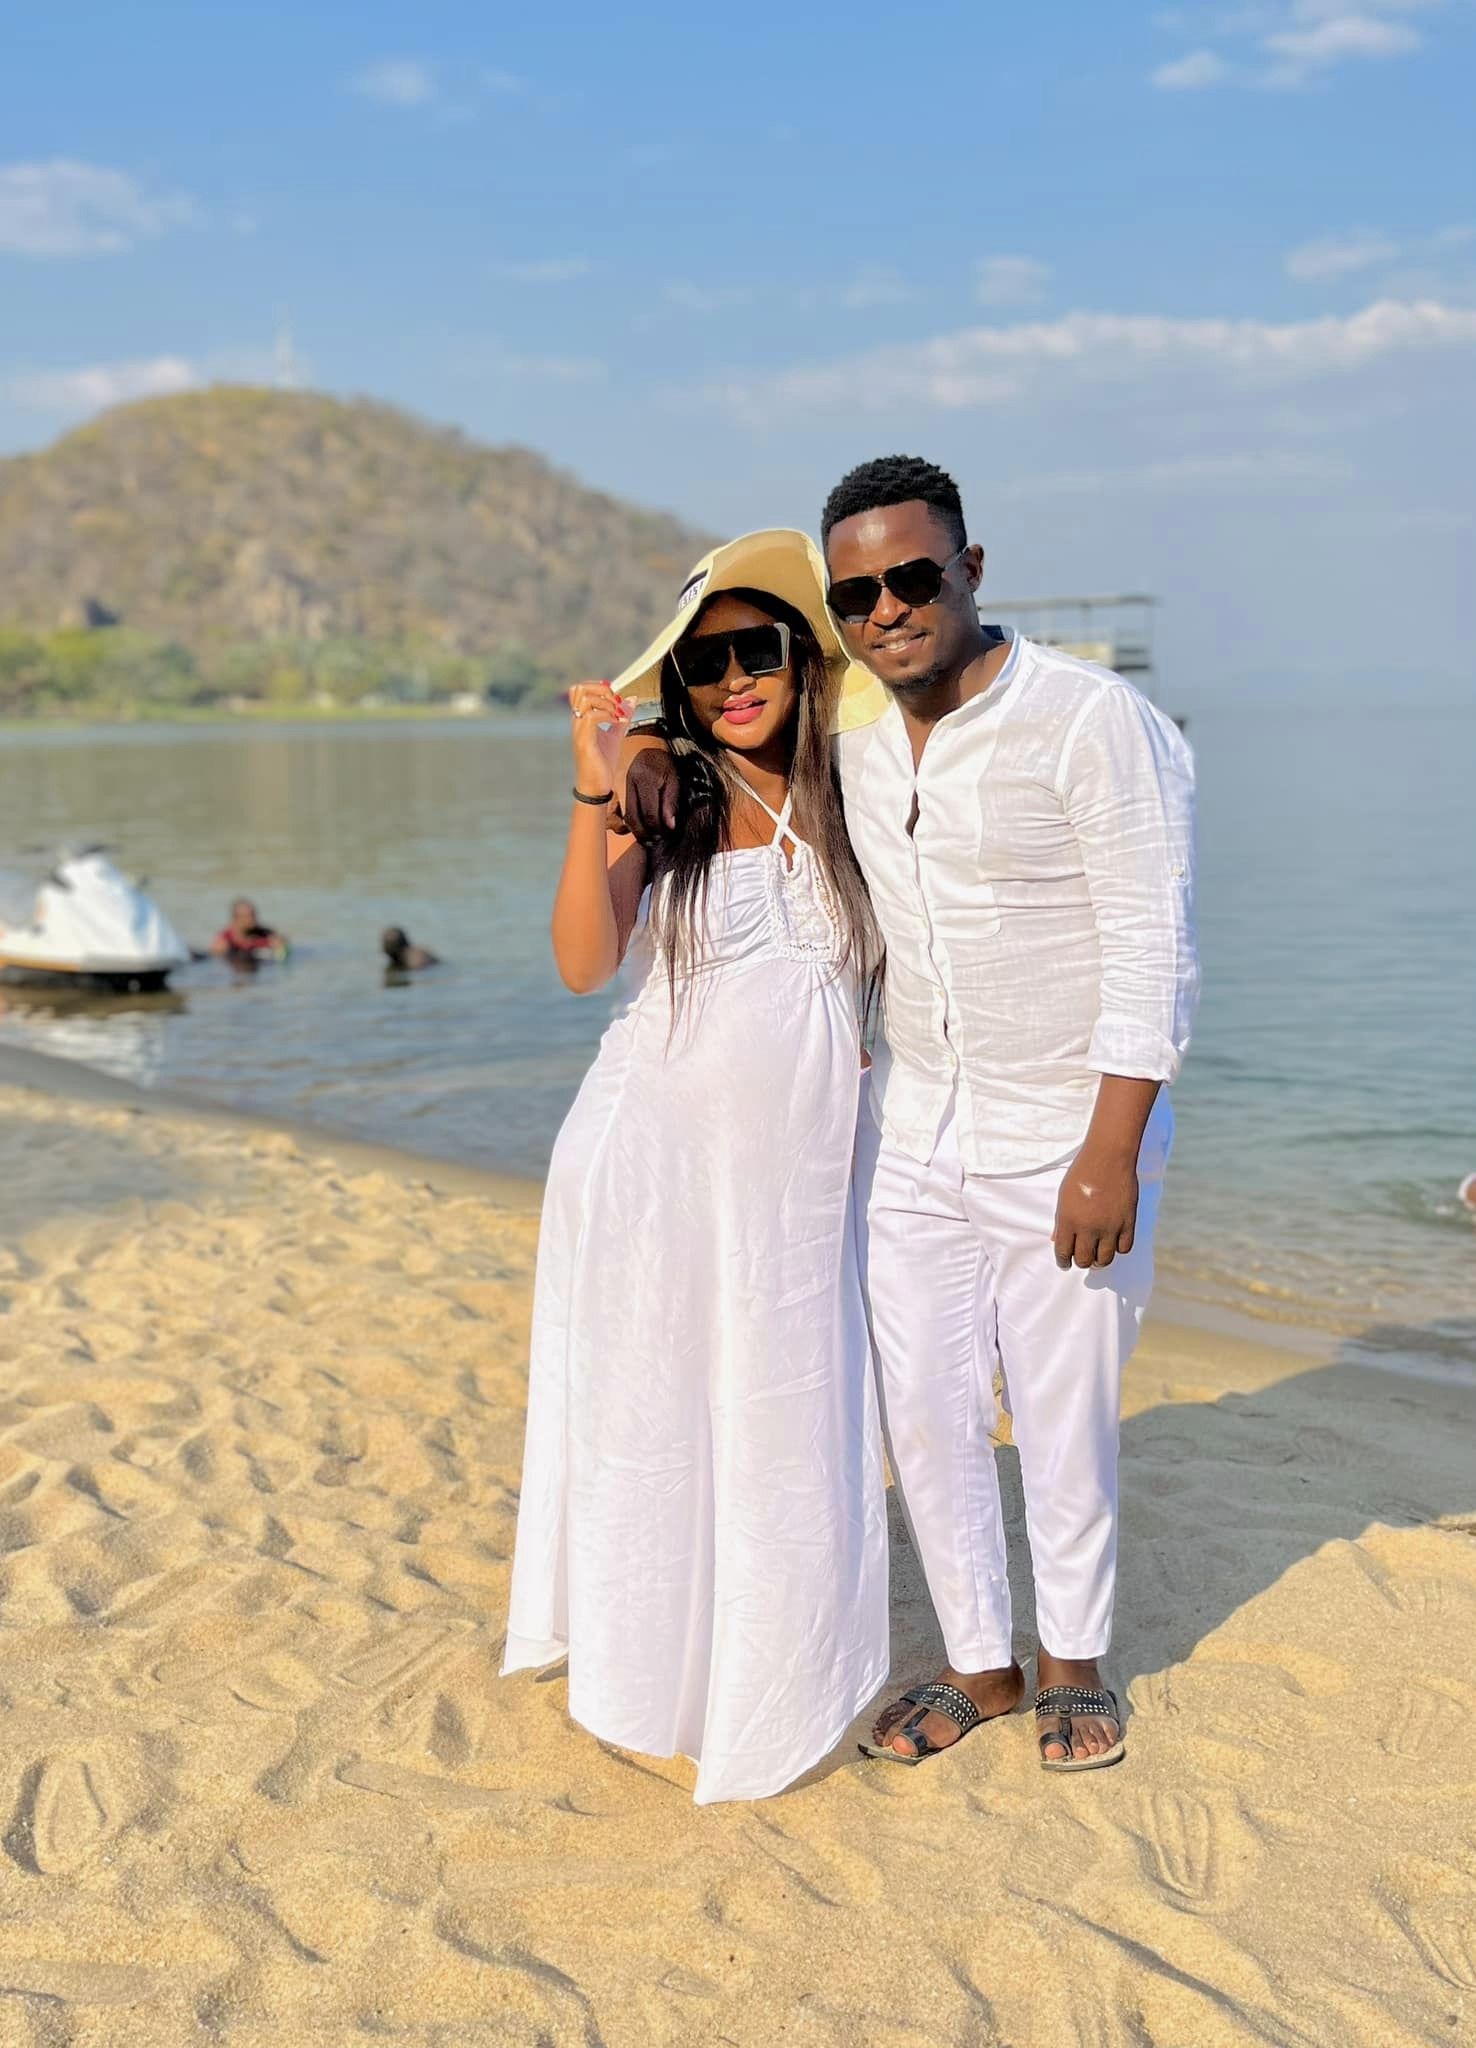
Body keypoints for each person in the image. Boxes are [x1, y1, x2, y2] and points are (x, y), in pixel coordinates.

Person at [823, 455, 1199, 1772]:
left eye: (912, 575)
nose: (887, 608)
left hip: (1066, 1136)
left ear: (970, 568)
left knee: (1060, 1414)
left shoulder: (1093, 721)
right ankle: (980, 1662)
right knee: (924, 1410)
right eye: (856, 594)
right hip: (916, 1129)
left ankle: (1073, 1662)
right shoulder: (859, 743)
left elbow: (1154, 948)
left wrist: (1112, 1154)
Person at [501, 530, 889, 1805]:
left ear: (802, 657)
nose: (734, 680)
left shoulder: (853, 789)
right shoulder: (665, 790)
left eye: (756, 650)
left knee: (782, 1412)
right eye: (705, 661)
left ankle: (772, 1672)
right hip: (654, 1169)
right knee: (658, 1417)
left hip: (793, 1189)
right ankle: (646, 1674)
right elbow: (580, 964)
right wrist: (593, 789)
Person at [209, 898, 286, 961]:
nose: (252, 920)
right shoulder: (225, 939)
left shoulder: (265, 933)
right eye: (246, 916)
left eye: (253, 915)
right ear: (235, 919)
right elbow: (214, 956)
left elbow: (282, 949)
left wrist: (280, 946)